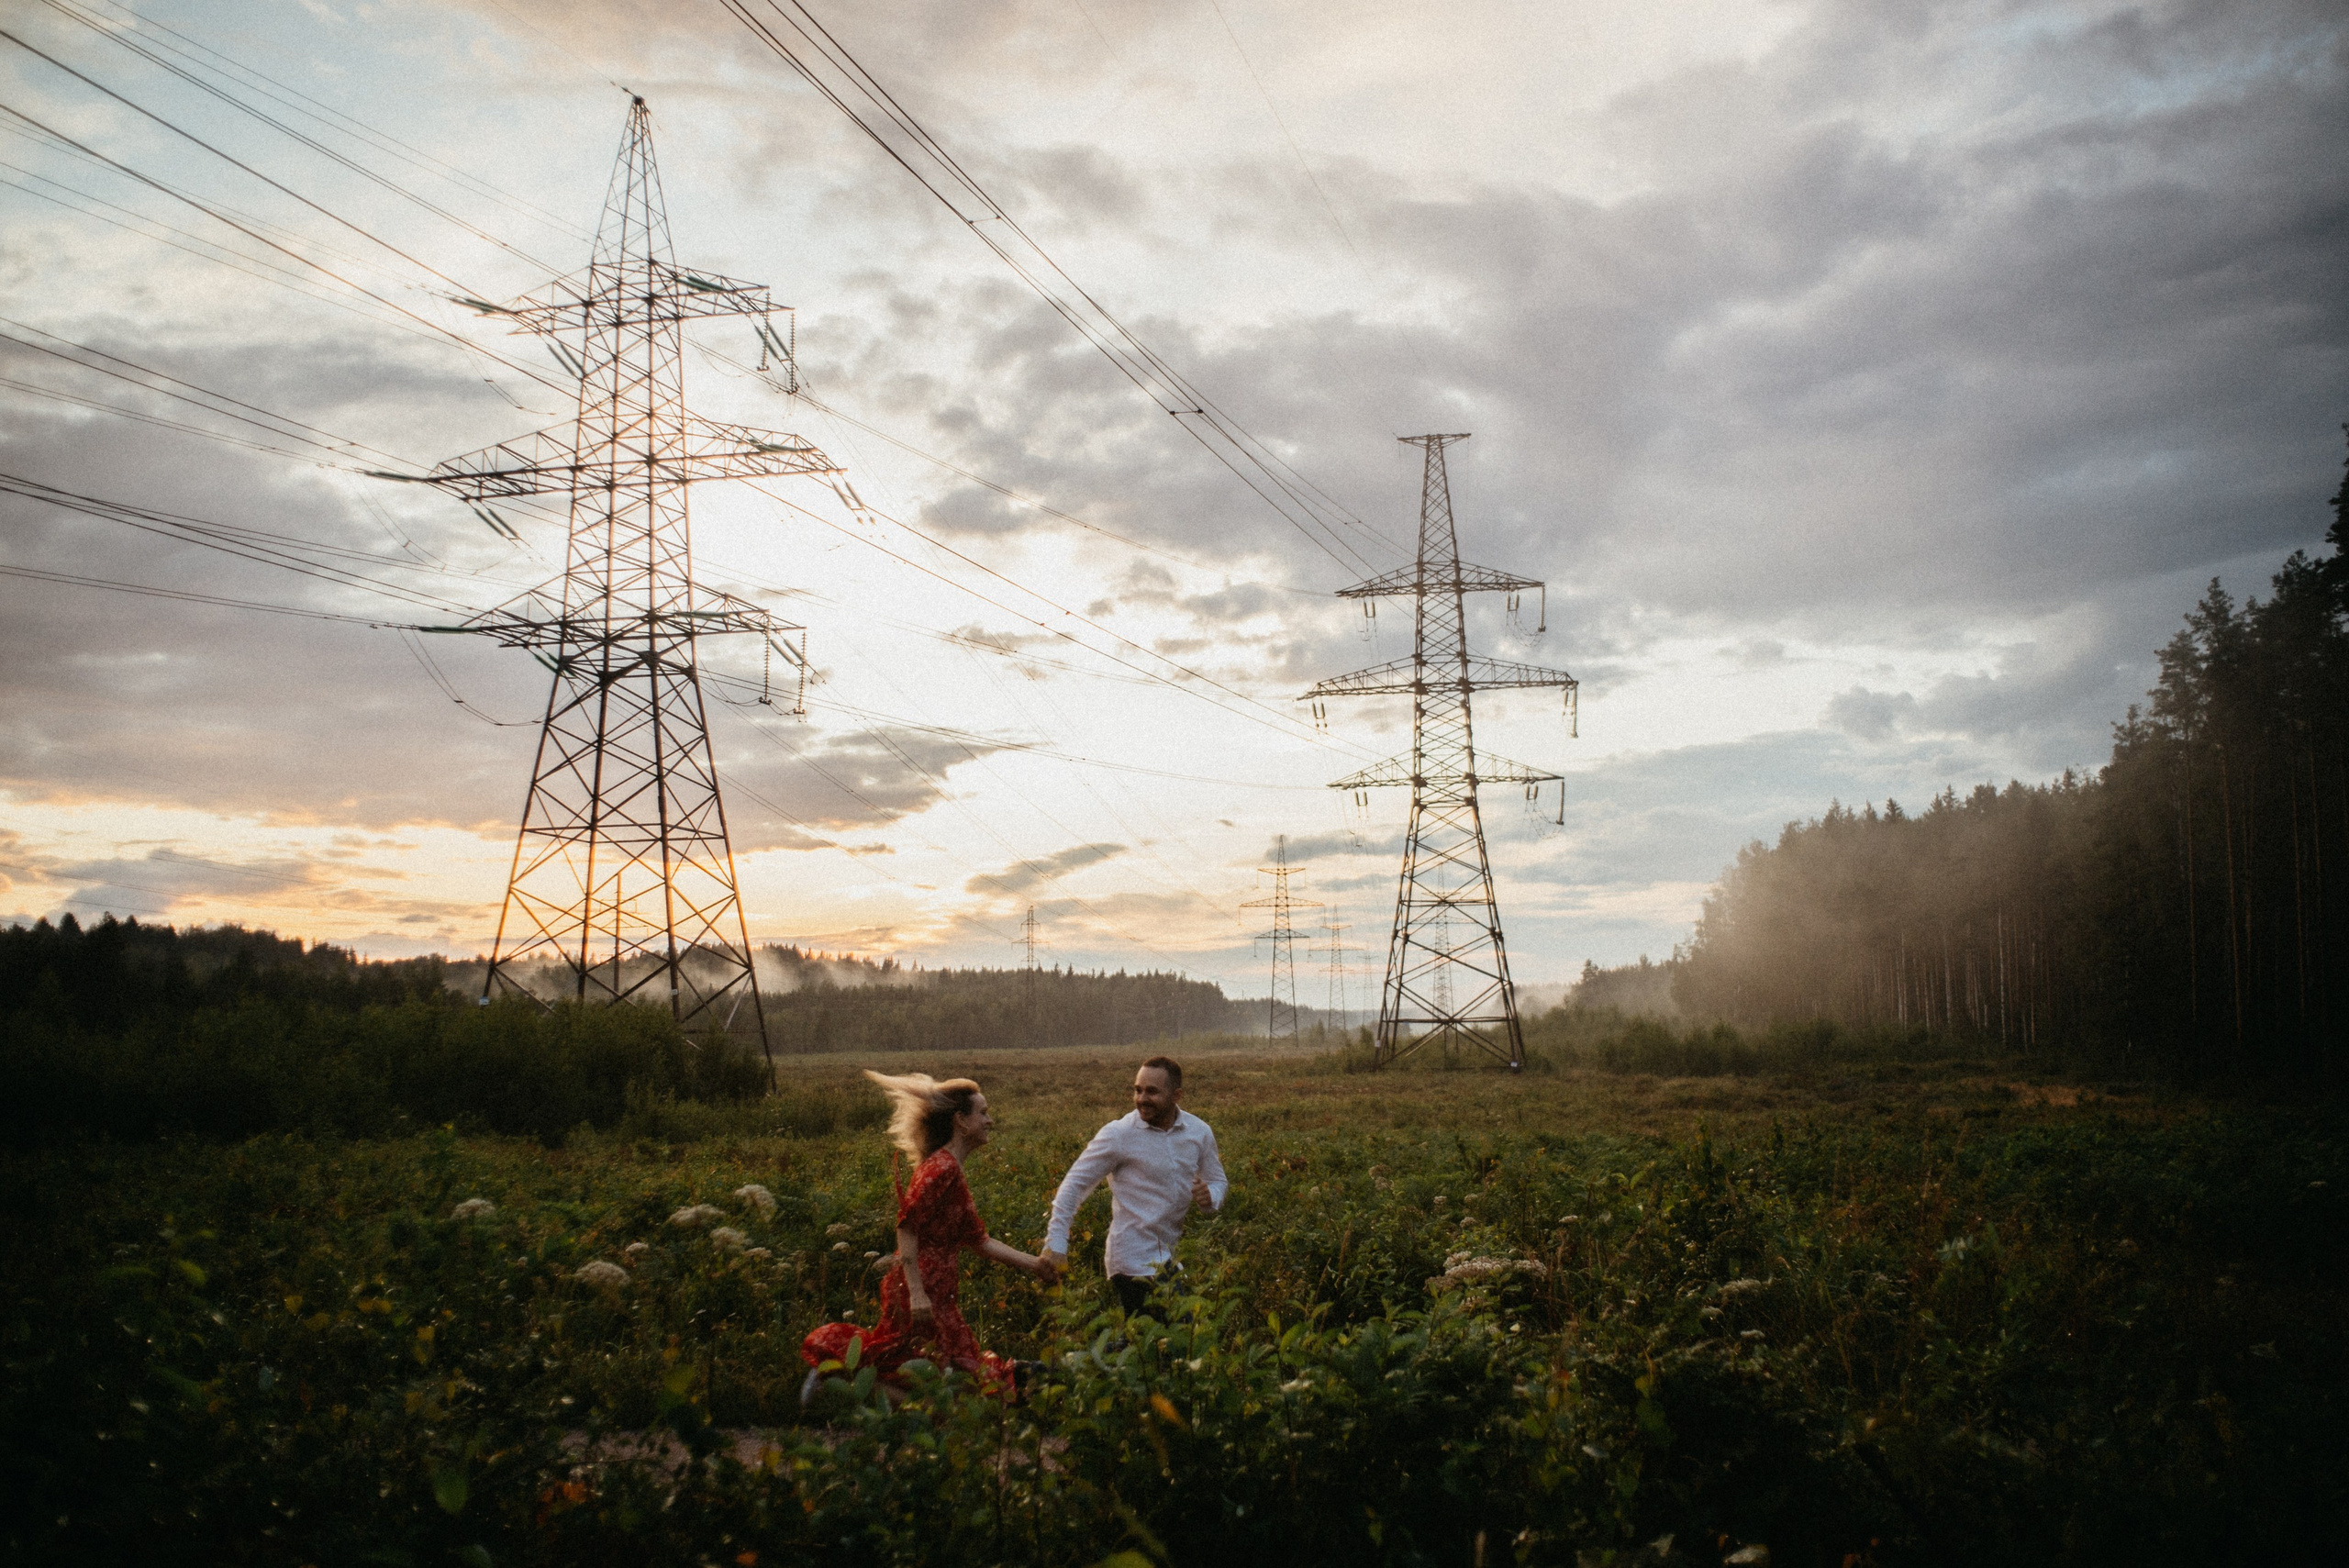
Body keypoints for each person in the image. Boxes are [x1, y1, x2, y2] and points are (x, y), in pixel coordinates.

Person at [801, 1072, 1051, 1398]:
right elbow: (906, 1227)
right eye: (983, 1113)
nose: (990, 1121)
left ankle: (840, 1384)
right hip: (919, 1288)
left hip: (938, 1291)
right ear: (961, 1121)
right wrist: (917, 1293)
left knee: (938, 1376)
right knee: (939, 1379)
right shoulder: (941, 1168)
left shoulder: (950, 1169)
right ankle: (836, 1381)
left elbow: (980, 1242)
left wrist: (1036, 1265)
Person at [1039, 1055, 1229, 1316]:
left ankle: (1095, 1356)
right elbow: (1073, 1186)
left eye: (1152, 1091)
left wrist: (1211, 1197)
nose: (1141, 1098)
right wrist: (1057, 1245)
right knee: (1179, 1331)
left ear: (1177, 1095)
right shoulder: (1118, 1134)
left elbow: (1218, 1180)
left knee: (1144, 1343)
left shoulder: (1198, 1132)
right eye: (1137, 1090)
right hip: (1131, 1261)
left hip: (1169, 1260)